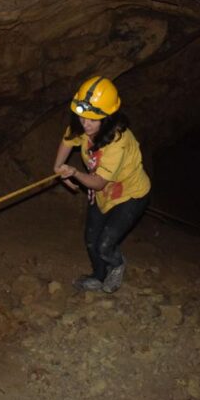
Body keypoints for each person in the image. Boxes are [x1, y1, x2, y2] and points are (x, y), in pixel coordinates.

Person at [53, 75, 151, 293]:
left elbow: (97, 183)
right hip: (104, 193)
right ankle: (99, 276)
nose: (85, 123)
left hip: (130, 194)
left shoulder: (117, 141)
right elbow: (68, 140)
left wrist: (74, 172)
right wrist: (59, 168)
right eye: (81, 117)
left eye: (91, 119)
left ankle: (117, 264)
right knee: (91, 240)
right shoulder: (83, 125)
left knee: (105, 246)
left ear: (107, 117)